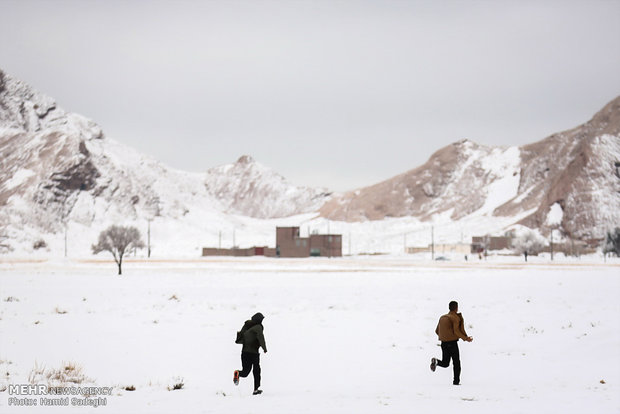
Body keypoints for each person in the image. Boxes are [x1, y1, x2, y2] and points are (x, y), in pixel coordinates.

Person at [430, 301, 473, 385]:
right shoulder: (455, 318)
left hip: (443, 343)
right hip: (452, 343)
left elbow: (437, 331)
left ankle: (436, 362)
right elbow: (456, 331)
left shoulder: (442, 317)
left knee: (445, 363)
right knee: (456, 363)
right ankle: (456, 382)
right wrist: (465, 338)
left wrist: (445, 337)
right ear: (456, 308)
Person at [233, 312, 267, 395]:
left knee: (245, 372)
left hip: (244, 353)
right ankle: (256, 389)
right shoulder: (258, 327)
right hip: (254, 353)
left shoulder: (248, 326)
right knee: (256, 371)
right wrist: (264, 348)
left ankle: (238, 373)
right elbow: (261, 337)